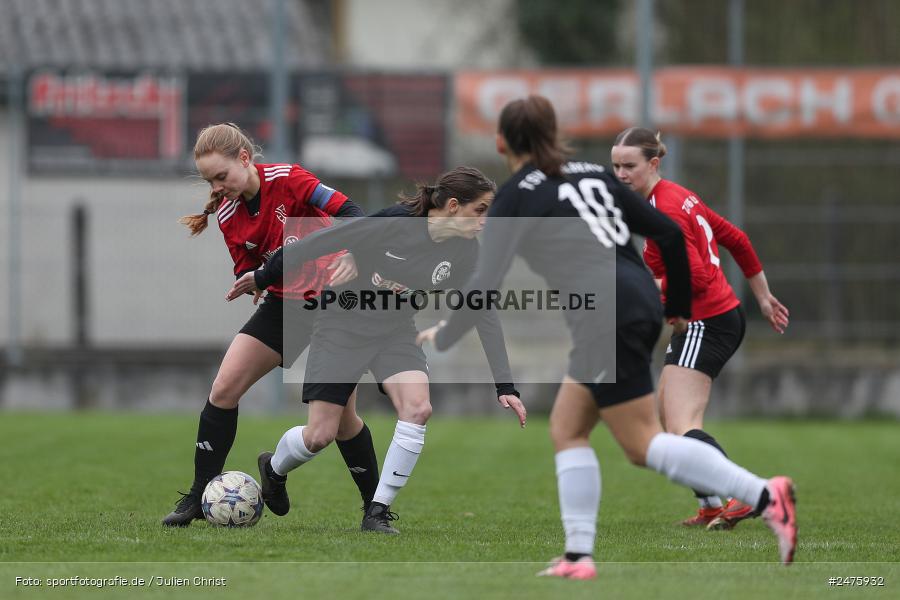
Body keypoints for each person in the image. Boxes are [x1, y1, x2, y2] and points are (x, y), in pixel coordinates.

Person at [418, 95, 797, 579]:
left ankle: (766, 496)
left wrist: (447, 335)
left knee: (641, 445)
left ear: (500, 142)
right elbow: (667, 234)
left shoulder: (515, 194)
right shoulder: (594, 175)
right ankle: (578, 557)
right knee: (568, 427)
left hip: (606, 315)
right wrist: (677, 304)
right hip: (634, 303)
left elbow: (485, 282)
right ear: (553, 134)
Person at [227, 166, 527, 534]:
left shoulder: (467, 253)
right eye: (481, 210)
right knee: (320, 434)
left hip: (396, 333)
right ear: (452, 206)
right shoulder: (396, 223)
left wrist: (505, 386)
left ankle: (378, 511)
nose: (486, 221)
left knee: (418, 409)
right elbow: (318, 244)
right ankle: (274, 468)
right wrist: (262, 276)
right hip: (342, 325)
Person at [162, 123, 380, 526]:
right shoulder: (227, 214)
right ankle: (198, 496)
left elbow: (354, 216)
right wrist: (254, 282)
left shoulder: (291, 180)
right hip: (286, 304)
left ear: (245, 159)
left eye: (221, 176)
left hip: (338, 303)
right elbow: (253, 271)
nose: (217, 187)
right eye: (210, 180)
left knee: (341, 422)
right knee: (224, 388)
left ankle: (374, 511)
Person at [611, 127, 790, 530]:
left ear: (654, 164)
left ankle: (747, 494)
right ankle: (711, 503)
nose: (621, 174)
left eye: (630, 166)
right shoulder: (675, 195)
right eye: (615, 166)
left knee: (680, 425)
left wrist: (642, 286)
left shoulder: (666, 208)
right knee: (670, 418)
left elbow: (695, 277)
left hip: (705, 321)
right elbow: (736, 239)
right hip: (712, 318)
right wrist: (762, 295)